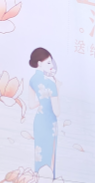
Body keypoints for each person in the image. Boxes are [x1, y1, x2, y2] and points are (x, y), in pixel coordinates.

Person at [28, 47, 60, 176]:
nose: (51, 65)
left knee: (39, 153)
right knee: (49, 154)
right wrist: (57, 89)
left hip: (39, 121)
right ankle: (49, 182)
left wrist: (43, 100)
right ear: (39, 63)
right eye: (48, 62)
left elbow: (31, 105)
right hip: (49, 122)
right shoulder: (51, 83)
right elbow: (57, 112)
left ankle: (37, 180)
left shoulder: (32, 80)